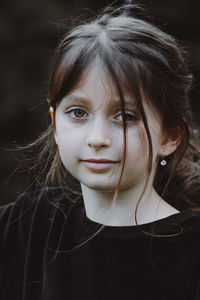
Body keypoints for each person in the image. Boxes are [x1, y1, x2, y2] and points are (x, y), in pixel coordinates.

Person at [1, 3, 200, 300]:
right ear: (55, 125)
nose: (97, 138)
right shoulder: (28, 225)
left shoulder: (190, 251)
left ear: (170, 137)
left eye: (126, 116)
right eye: (78, 113)